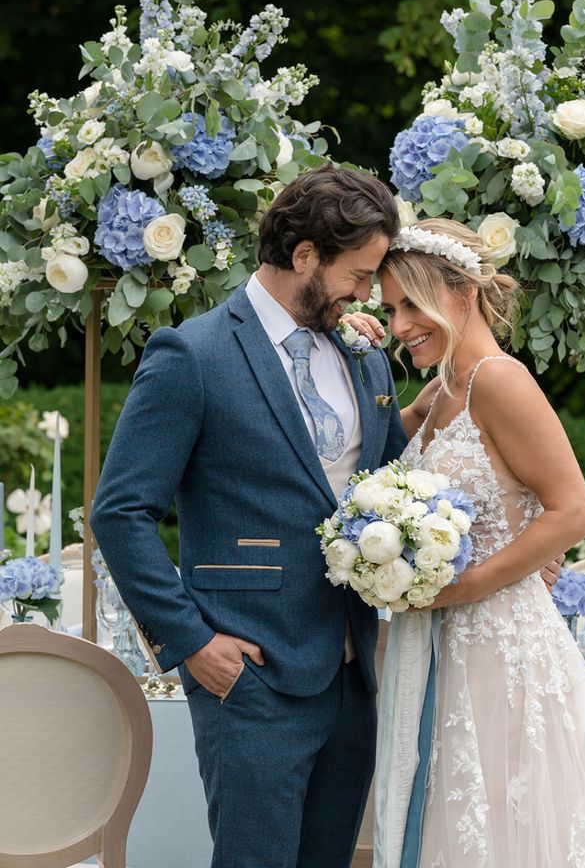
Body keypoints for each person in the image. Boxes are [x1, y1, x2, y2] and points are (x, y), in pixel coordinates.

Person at [348, 218, 585, 868]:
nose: (400, 326)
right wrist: (349, 348)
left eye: (410, 305)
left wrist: (460, 586)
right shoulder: (441, 391)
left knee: (515, 815)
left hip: (497, 643)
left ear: (460, 291)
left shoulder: (498, 380)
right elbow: (364, 457)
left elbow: (573, 512)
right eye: (391, 309)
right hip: (437, 643)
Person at [91, 164, 408, 868]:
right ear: (304, 258)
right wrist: (194, 644)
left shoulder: (363, 355)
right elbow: (119, 511)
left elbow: (399, 483)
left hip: (353, 674)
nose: (370, 294)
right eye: (359, 274)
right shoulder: (193, 354)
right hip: (250, 672)